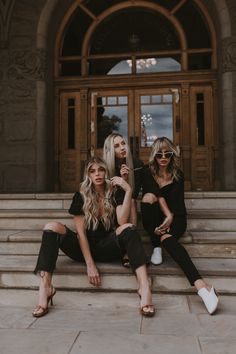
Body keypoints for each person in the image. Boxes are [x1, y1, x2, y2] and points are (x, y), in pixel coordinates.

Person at [32, 157, 155, 318]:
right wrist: (90, 265)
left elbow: (122, 221)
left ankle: (144, 287)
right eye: (92, 171)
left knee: (129, 228)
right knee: (50, 227)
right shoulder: (80, 195)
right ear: (87, 175)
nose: (97, 174)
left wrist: (128, 190)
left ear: (106, 172)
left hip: (108, 247)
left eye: (101, 170)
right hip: (82, 249)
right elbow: (81, 234)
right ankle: (45, 287)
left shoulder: (114, 192)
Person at [141, 137, 219, 315]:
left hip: (177, 217)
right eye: (159, 154)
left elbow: (177, 205)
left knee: (168, 239)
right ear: (154, 155)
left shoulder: (178, 175)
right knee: (148, 198)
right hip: (155, 216)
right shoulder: (147, 172)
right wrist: (165, 215)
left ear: (172, 155)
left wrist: (170, 217)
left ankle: (202, 287)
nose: (163, 157)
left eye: (167, 154)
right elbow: (155, 194)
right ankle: (155, 246)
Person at [103, 132, 173, 266]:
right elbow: (108, 196)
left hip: (128, 207)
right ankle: (132, 250)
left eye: (123, 143)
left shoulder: (136, 164)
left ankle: (130, 250)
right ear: (110, 150)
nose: (122, 147)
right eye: (116, 146)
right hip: (110, 209)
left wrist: (168, 214)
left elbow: (152, 189)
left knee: (133, 201)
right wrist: (122, 181)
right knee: (130, 201)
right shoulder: (105, 168)